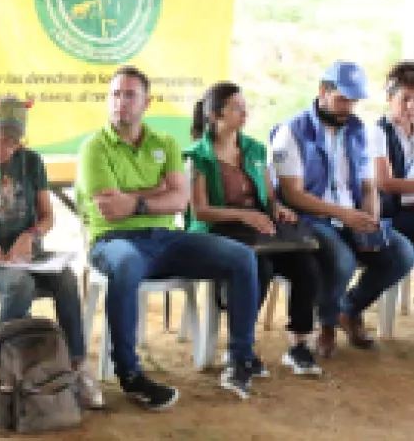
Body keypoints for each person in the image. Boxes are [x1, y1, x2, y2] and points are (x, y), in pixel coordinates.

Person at [75, 65, 261, 404]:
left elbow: (179, 200)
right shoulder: (94, 147)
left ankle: (240, 358)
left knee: (242, 257)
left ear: (147, 103)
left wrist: (135, 200)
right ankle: (130, 374)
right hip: (113, 241)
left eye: (129, 95)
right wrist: (156, 192)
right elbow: (110, 210)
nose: (120, 102)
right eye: (115, 95)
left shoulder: (165, 143)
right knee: (126, 262)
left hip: (165, 238)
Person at [0, 95, 103, 409]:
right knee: (20, 284)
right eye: (2, 139)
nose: (8, 148)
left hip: (26, 255)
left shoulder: (31, 162)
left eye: (14, 142)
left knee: (67, 279)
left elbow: (47, 216)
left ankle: (77, 366)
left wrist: (31, 235)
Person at [271, 61, 414, 358]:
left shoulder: (358, 130)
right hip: (310, 219)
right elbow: (293, 194)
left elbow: (368, 187)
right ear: (323, 91)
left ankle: (348, 310)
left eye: (353, 101)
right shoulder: (292, 131)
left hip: (351, 217)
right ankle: (325, 326)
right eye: (342, 99)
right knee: (341, 259)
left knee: (401, 252)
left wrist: (371, 219)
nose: (348, 108)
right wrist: (343, 214)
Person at [184, 82, 322, 376]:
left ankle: (299, 345)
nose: (244, 113)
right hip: (217, 231)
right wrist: (243, 216)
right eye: (237, 108)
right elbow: (200, 211)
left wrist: (278, 208)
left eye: (245, 107)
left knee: (306, 265)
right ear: (215, 115)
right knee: (260, 267)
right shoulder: (197, 156)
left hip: (257, 231)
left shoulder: (256, 149)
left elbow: (269, 197)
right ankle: (240, 347)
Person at [373, 62, 414, 252]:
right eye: (405, 98)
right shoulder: (378, 132)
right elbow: (385, 182)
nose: (411, 106)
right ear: (389, 97)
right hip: (391, 215)